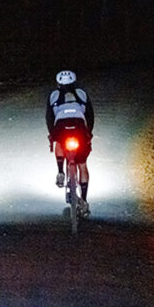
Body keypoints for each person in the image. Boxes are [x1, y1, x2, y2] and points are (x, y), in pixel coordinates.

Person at [45, 69, 94, 217]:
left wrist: (52, 135)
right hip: (80, 127)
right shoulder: (82, 94)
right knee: (82, 164)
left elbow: (49, 117)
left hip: (61, 126)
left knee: (59, 141)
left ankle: (60, 171)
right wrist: (88, 133)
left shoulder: (54, 95)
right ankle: (84, 200)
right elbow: (90, 115)